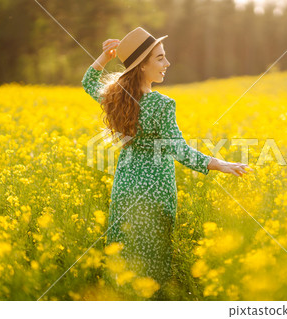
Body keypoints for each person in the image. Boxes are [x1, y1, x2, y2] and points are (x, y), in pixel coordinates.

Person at [81, 27, 253, 300]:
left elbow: (89, 81)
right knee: (153, 270)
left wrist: (105, 56)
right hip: (155, 191)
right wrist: (220, 163)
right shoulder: (163, 104)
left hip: (125, 186)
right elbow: (179, 151)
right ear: (142, 65)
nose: (167, 63)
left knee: (124, 260)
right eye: (160, 58)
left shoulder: (115, 96)